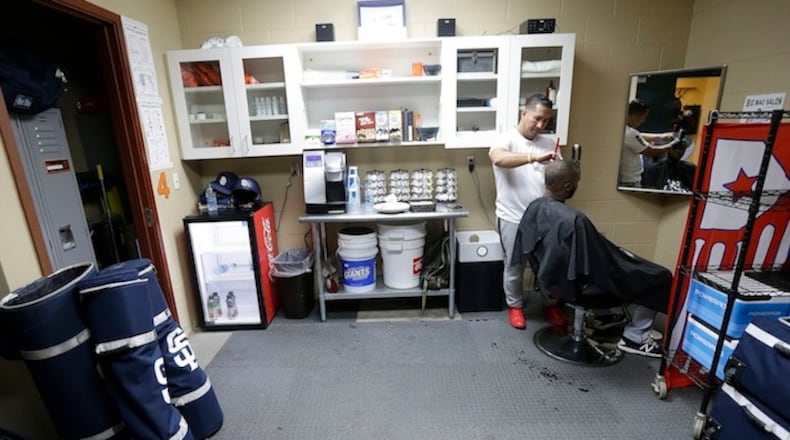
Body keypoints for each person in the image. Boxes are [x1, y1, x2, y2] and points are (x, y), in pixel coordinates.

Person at [513, 160, 671, 357]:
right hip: (582, 289)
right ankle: (636, 337)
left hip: (554, 282)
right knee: (659, 276)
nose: (578, 185)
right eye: (577, 181)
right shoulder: (575, 220)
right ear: (568, 186)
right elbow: (604, 263)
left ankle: (606, 319)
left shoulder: (534, 207)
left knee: (631, 265)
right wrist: (622, 257)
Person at [489, 93, 560, 330]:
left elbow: (555, 181)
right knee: (515, 266)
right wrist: (533, 157)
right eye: (537, 118)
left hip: (542, 219)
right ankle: (516, 306)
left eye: (546, 121)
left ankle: (550, 304)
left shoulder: (549, 144)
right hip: (512, 217)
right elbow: (498, 159)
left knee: (547, 265)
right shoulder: (505, 139)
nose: (540, 125)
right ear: (524, 113)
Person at [619, 99, 680, 187]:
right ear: (636, 115)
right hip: (630, 182)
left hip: (625, 180)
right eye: (643, 116)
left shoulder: (624, 130)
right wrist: (672, 145)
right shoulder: (630, 134)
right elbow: (652, 151)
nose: (643, 120)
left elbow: (639, 136)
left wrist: (660, 136)